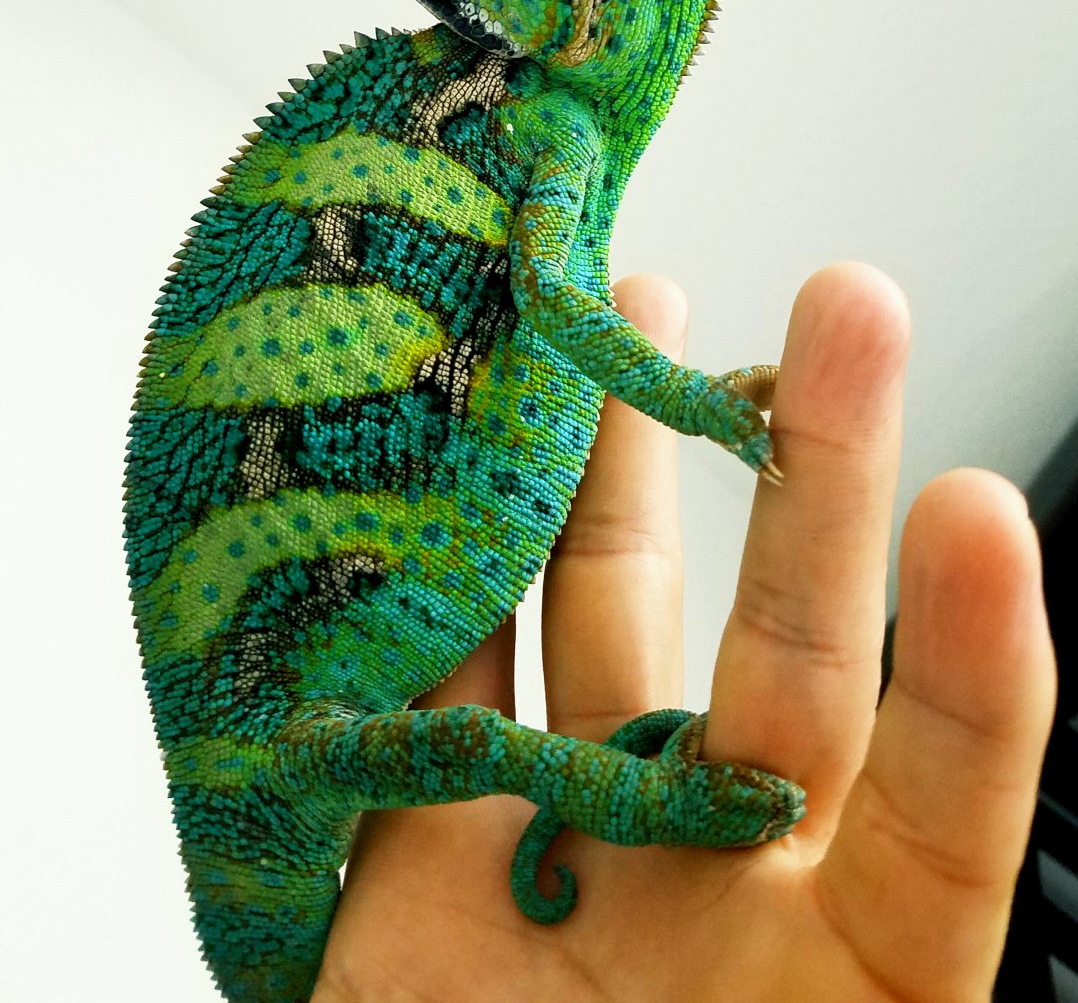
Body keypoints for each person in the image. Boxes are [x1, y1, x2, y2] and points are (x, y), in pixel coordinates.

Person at [312, 263, 1056, 1002]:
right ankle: (639, 802)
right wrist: (690, 401)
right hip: (296, 683)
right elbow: (542, 288)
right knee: (469, 740)